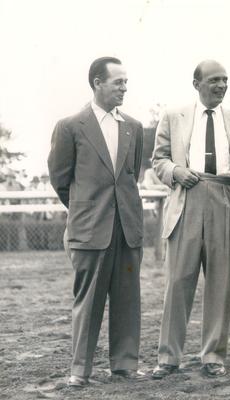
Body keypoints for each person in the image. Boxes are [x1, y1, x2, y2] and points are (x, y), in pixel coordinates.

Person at [48, 57, 145, 387]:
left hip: (127, 227)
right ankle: (80, 370)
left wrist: (120, 210)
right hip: (90, 229)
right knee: (87, 302)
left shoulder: (133, 126)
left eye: (125, 82)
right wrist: (86, 211)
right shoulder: (70, 126)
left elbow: (131, 175)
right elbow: (61, 180)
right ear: (97, 83)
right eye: (118, 82)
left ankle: (125, 364)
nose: (124, 88)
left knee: (128, 298)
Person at [151, 60, 230, 379]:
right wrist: (176, 171)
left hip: (224, 198)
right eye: (214, 80)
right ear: (197, 84)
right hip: (186, 198)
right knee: (178, 280)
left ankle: (214, 355)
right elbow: (158, 160)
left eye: (225, 80)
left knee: (221, 282)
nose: (221, 86)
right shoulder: (173, 116)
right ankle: (168, 357)